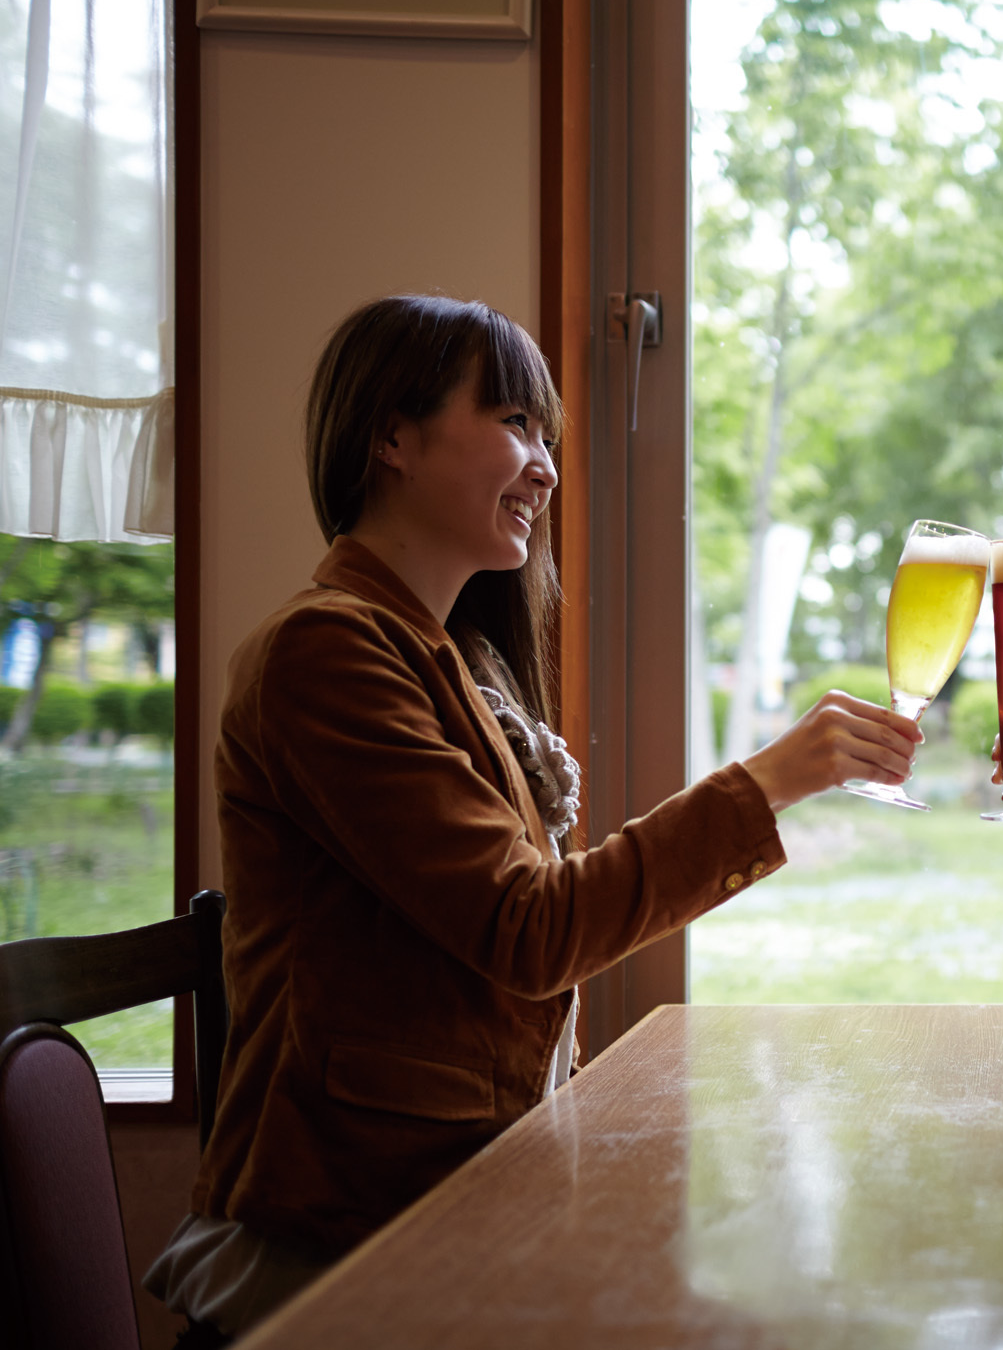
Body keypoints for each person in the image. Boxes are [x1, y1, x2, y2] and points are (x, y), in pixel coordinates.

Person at [146, 295, 920, 1344]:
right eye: (515, 421)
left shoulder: (459, 664)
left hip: (456, 1200)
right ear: (391, 436)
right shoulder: (323, 654)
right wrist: (768, 781)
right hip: (346, 1250)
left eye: (546, 435)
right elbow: (532, 930)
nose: (546, 469)